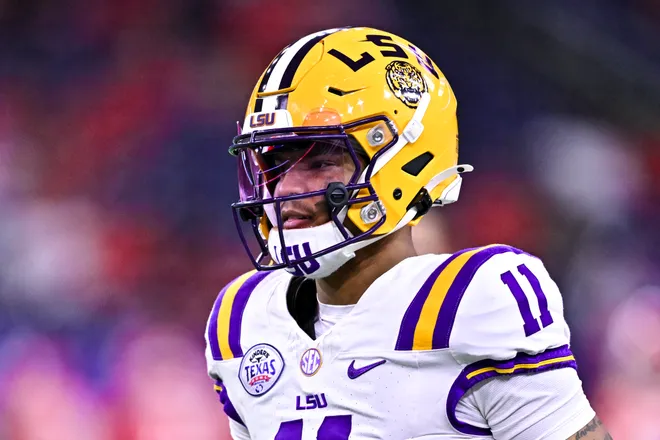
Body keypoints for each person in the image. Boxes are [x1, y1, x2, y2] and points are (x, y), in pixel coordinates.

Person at [204, 27, 612, 439]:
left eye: (320, 161)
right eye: (274, 163)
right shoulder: (242, 321)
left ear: (405, 160)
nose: (284, 190)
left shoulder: (471, 301)